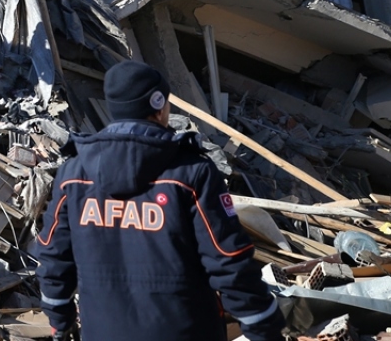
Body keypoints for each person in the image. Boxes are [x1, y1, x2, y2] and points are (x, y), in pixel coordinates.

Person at [31, 61, 285, 341]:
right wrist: (263, 326)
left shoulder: (73, 174)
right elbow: (227, 260)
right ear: (159, 106)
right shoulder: (191, 173)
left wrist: (59, 321)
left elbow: (54, 258)